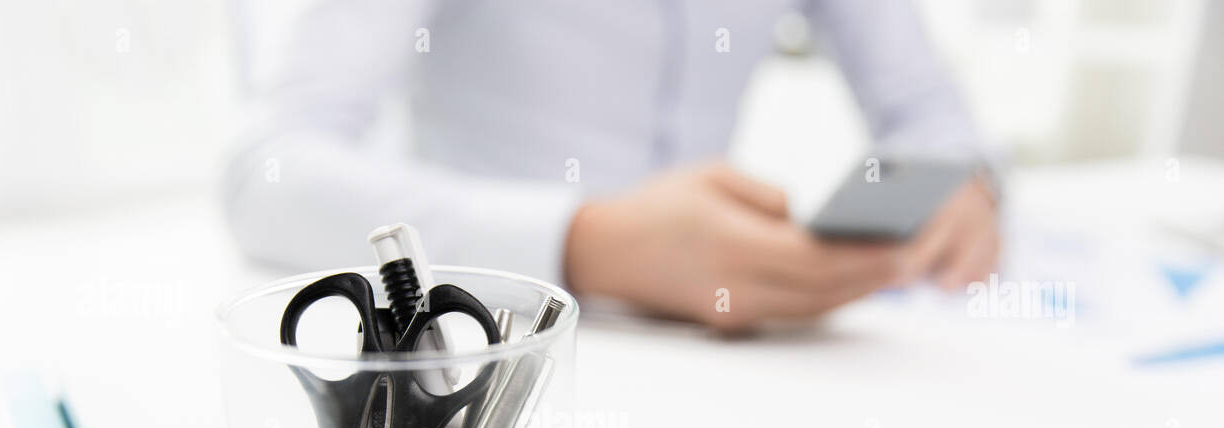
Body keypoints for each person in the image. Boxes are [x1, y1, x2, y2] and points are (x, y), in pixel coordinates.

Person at [223, 0, 999, 331]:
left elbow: (930, 112)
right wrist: (589, 243)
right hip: (489, 347)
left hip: (737, 359)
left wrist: (959, 185)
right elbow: (269, 171)